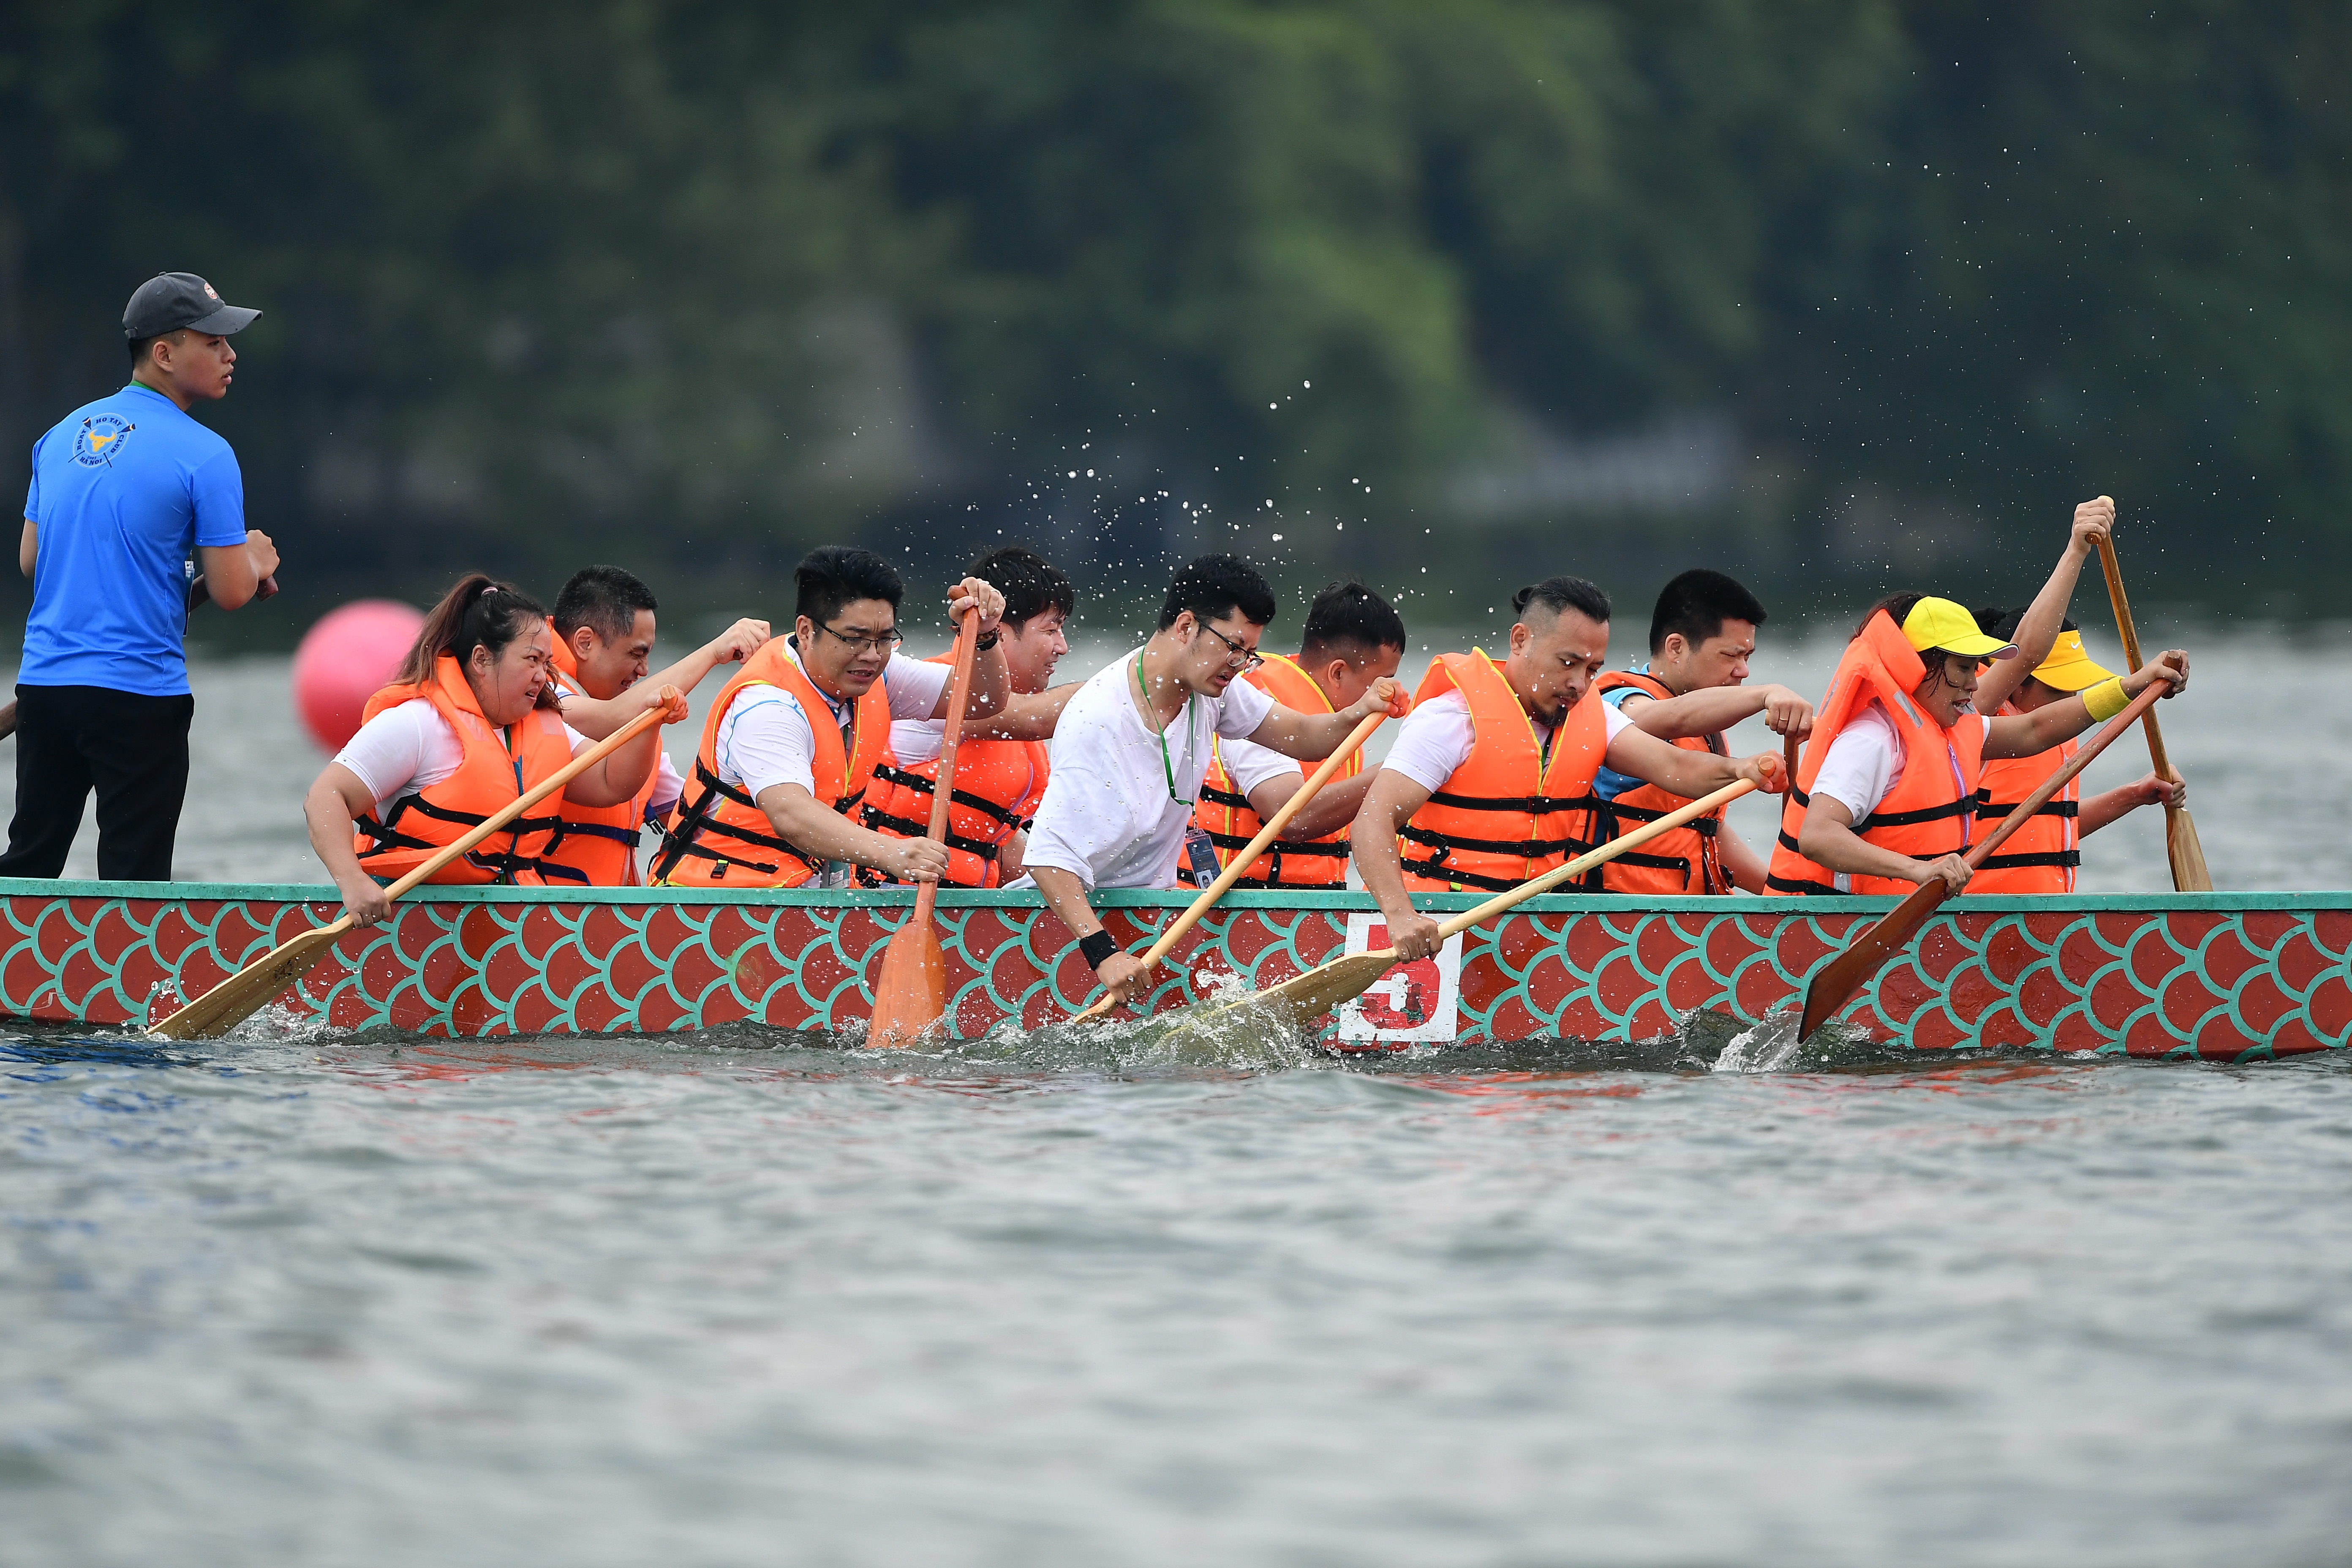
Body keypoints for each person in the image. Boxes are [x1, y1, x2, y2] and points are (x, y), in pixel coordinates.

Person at [1025, 554, 1407, 1006]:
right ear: (1187, 626)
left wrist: (1359, 711)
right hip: (1068, 925)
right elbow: (1048, 857)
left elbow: (1303, 737)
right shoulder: (1100, 718)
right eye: (1234, 647)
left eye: (1249, 654)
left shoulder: (1211, 691)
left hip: (1149, 913)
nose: (1240, 664)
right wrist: (1103, 953)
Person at [1352, 576, 1787, 962]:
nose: (1580, 683)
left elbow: (1676, 765)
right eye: (1568, 663)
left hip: (1535, 941)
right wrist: (1399, 914)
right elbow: (1372, 821)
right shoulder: (1450, 720)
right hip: (1437, 934)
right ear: (1520, 640)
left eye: (1593, 668)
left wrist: (1742, 770)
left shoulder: (1593, 715)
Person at [4, 272, 280, 880]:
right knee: (135, 884)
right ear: (164, 353)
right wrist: (254, 558)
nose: (230, 355)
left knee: (28, 869)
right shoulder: (206, 453)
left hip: (44, 693)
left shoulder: (57, 438)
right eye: (213, 342)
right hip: (138, 699)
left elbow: (33, 561)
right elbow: (234, 591)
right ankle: (127, 980)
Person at [303, 576, 683, 923]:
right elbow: (325, 797)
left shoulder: (543, 729)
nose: (544, 676)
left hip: (500, 923)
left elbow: (611, 784)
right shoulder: (419, 723)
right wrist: (352, 882)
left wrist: (650, 721)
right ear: (483, 659)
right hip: (409, 918)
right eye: (532, 660)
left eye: (548, 663)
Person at [1764, 595, 2188, 897]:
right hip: (1815, 935)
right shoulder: (1873, 739)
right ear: (1920, 668)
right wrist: (1918, 870)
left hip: (1900, 931)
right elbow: (1817, 836)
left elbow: (2035, 731)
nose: (1974, 683)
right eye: (1963, 669)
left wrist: (2134, 686)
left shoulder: (1956, 730)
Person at [652, 547, 1007, 887]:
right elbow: (791, 816)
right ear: (806, 631)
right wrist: (892, 852)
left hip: (809, 901)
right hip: (717, 907)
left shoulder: (877, 673)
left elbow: (982, 699)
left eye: (884, 639)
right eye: (855, 639)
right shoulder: (768, 705)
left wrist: (986, 634)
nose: (871, 655)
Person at [538, 565, 773, 885]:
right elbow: (610, 719)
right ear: (584, 643)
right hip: (546, 916)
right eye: (637, 654)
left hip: (611, 918)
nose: (645, 670)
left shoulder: (638, 723)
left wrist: (782, 823)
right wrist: (714, 653)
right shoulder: (536, 691)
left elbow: (693, 820)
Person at [1582, 570, 1813, 894]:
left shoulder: (1708, 731)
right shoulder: (1620, 702)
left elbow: (1706, 831)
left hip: (1690, 922)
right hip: (1621, 922)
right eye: (1731, 655)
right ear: (1676, 647)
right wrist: (1766, 694)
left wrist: (1780, 892)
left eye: (1747, 656)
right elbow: (1668, 718)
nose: (1743, 670)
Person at [862, 545, 1078, 887]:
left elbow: (992, 844)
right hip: (888, 906)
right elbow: (1040, 718)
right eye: (1052, 630)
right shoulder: (935, 695)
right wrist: (1146, 678)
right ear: (1001, 631)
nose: (1062, 647)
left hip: (962, 915)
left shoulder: (1015, 721)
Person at [1191, 580, 1405, 887]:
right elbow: (1291, 817)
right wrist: (1397, 772)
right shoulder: (1256, 705)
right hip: (1237, 914)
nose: (1389, 693)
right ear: (1338, 673)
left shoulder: (1337, 722)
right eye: (1382, 682)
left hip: (1313, 909)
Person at [1963, 609, 2186, 894]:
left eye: (2075, 688)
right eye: (2059, 690)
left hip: (2045, 917)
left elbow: (2052, 831)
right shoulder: (1972, 724)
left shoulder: (2060, 740)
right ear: (2014, 683)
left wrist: (2135, 795)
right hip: (1974, 917)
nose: (2070, 701)